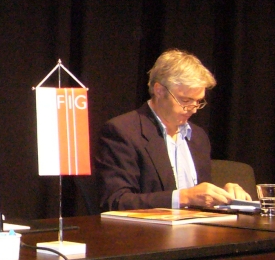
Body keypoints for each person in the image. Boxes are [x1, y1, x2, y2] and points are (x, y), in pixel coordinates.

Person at [96, 49, 251, 211]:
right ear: (159, 90)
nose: (193, 109)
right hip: (151, 227)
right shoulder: (123, 131)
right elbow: (116, 201)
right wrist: (183, 197)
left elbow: (201, 199)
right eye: (185, 100)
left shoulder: (198, 136)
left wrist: (223, 196)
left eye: (198, 101)